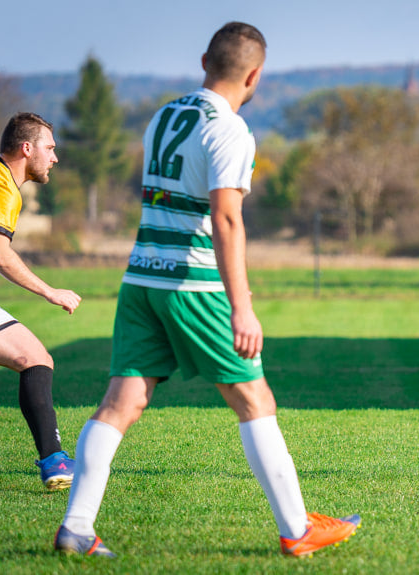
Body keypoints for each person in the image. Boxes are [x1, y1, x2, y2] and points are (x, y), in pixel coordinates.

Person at [54, 22, 359, 558]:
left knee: (121, 402)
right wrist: (242, 308)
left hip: (140, 277)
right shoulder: (231, 130)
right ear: (255, 75)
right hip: (191, 284)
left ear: (204, 60)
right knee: (253, 398)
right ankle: (297, 530)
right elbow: (226, 218)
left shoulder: (164, 116)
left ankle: (76, 526)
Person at [0, 113, 80, 490]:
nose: (55, 157)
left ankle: (54, 461)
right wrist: (51, 292)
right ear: (26, 148)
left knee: (35, 359)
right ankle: (54, 461)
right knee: (35, 360)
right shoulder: (0, 185)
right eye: (50, 148)